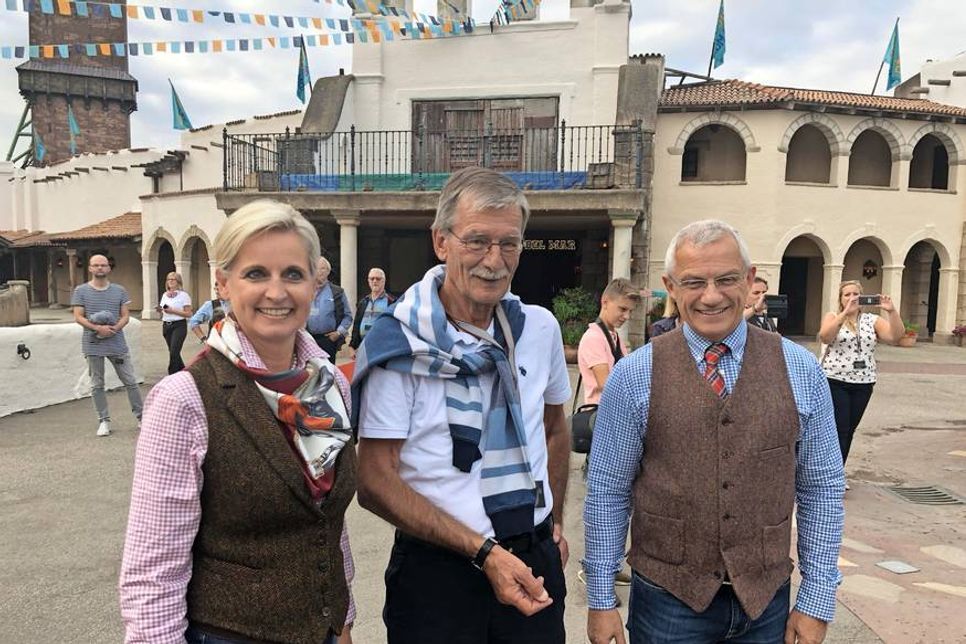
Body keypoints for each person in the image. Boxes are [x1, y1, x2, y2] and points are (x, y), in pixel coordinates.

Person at [584, 219, 845, 644]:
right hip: (667, 601)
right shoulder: (634, 376)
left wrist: (817, 598)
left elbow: (821, 487)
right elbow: (608, 491)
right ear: (671, 286)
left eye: (725, 279)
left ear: (749, 280)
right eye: (693, 282)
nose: (711, 296)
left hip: (765, 602)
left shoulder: (801, 370)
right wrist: (601, 599)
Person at [119, 200, 357, 644]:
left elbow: (328, 522)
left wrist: (342, 620)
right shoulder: (185, 400)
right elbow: (154, 571)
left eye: (292, 274)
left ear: (314, 283)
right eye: (256, 274)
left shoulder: (329, 386)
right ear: (223, 284)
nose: (277, 291)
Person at [354, 167, 572, 644]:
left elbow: (555, 427)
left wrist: (554, 521)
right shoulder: (399, 344)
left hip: (532, 557)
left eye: (509, 243)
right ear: (441, 242)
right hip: (438, 572)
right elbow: (373, 481)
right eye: (476, 241)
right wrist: (483, 553)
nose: (494, 261)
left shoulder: (539, 329)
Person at [818, 280, 903, 471]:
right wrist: (844, 315)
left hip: (863, 381)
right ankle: (833, 474)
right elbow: (825, 336)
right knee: (840, 429)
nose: (852, 298)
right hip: (835, 379)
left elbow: (895, 337)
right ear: (840, 299)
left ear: (862, 297)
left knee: (850, 429)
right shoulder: (833, 316)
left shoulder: (871, 320)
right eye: (847, 294)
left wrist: (891, 312)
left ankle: (838, 470)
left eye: (855, 294)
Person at [70, 254, 143, 437]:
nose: (100, 268)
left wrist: (114, 329)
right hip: (93, 343)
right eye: (96, 265)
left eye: (103, 265)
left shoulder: (119, 291)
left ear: (109, 268)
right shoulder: (81, 291)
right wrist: (97, 328)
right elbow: (78, 316)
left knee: (130, 381)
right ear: (90, 268)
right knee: (97, 383)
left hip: (116, 342)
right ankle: (103, 420)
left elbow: (125, 315)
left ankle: (142, 416)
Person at [576, 277, 640, 405]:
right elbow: (607, 387)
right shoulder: (594, 337)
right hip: (600, 416)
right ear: (605, 303)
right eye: (622, 309)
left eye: (630, 311)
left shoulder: (614, 337)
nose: (627, 316)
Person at [307, 256, 353, 362]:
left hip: (328, 340)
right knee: (309, 373)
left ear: (328, 271)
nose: (320, 272)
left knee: (329, 372)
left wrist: (338, 333)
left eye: (323, 268)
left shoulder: (337, 292)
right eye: (317, 268)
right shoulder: (305, 290)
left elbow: (348, 316)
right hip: (309, 340)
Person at [348, 267, 396, 356]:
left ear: (383, 281)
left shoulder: (392, 302)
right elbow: (356, 325)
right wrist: (352, 346)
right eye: (372, 278)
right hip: (363, 347)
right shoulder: (363, 302)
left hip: (383, 349)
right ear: (368, 281)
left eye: (378, 279)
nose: (374, 281)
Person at [157, 271, 193, 374]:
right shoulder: (165, 295)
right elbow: (164, 308)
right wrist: (160, 309)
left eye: (173, 279)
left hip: (179, 325)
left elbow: (188, 313)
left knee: (174, 352)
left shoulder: (184, 295)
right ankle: (184, 373)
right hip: (166, 325)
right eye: (168, 279)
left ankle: (171, 374)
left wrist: (172, 310)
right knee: (174, 353)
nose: (170, 281)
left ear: (178, 282)